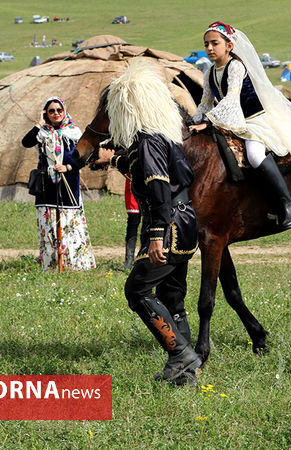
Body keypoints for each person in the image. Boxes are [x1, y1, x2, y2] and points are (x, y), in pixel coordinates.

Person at [94, 59, 202, 386]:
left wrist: (156, 236)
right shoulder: (164, 137)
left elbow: (157, 186)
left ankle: (181, 354)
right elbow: (157, 171)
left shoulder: (147, 139)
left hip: (166, 226)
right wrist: (112, 159)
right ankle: (186, 374)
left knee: (137, 290)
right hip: (185, 221)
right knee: (173, 297)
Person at [188, 21, 291, 229]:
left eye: (215, 43)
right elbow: (205, 103)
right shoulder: (209, 72)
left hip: (254, 120)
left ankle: (289, 203)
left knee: (255, 154)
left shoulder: (236, 66)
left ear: (229, 46)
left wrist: (209, 123)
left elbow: (231, 99)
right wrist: (194, 123)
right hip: (229, 121)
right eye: (206, 44)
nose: (210, 48)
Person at [21, 97, 96, 271]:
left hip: (68, 182)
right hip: (46, 184)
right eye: (51, 111)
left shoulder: (74, 132)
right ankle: (51, 262)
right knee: (48, 224)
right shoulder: (42, 133)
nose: (56, 113)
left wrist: (68, 167)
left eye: (59, 110)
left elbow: (85, 157)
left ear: (64, 111)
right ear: (46, 113)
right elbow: (26, 142)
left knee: (68, 223)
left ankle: (73, 262)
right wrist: (39, 123)